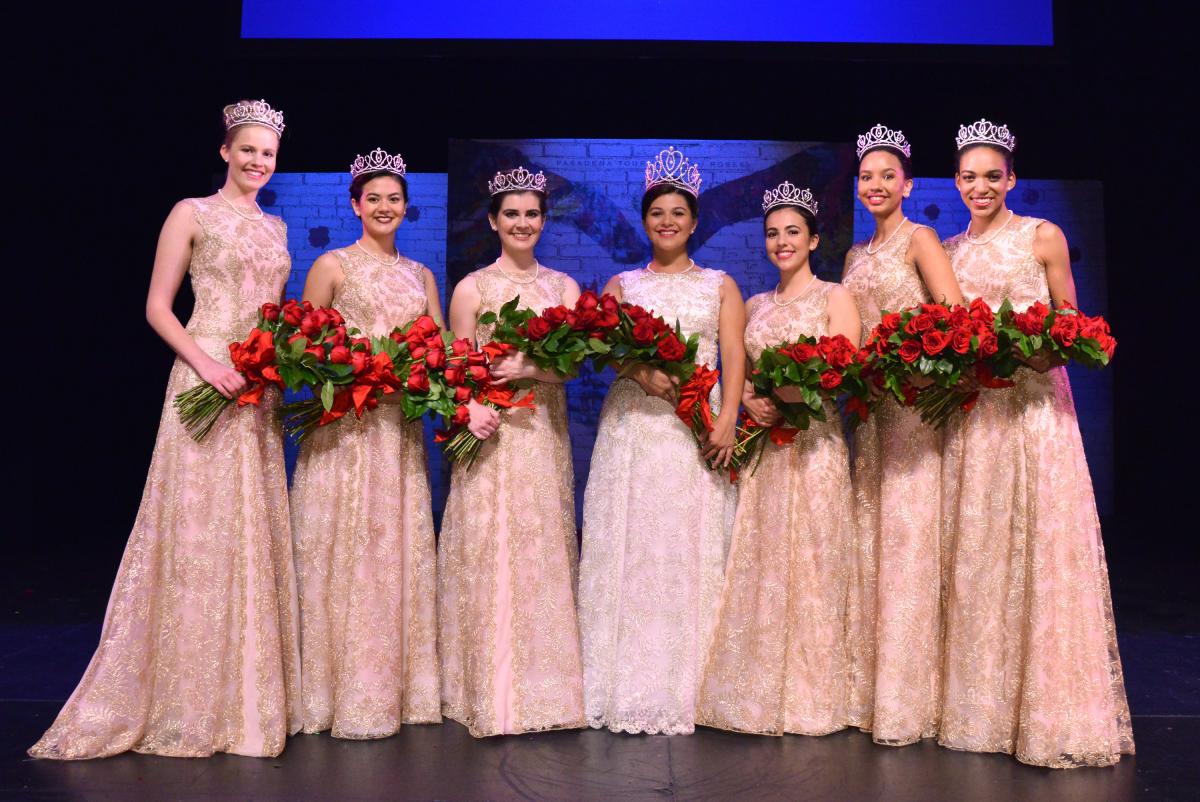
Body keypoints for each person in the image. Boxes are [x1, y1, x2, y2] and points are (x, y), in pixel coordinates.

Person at [29, 99, 300, 759]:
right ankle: (182, 695)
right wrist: (208, 364)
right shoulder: (191, 212)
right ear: (225, 152)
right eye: (248, 150)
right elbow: (157, 306)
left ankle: (244, 697)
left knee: (247, 528)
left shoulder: (279, 228)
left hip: (255, 385)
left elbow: (271, 313)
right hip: (203, 374)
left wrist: (276, 360)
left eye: (267, 153)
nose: (258, 162)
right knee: (195, 528)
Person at [938, 120, 1133, 767]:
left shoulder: (1042, 236)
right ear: (956, 182)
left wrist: (1020, 349)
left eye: (992, 175)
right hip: (976, 419)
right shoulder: (947, 251)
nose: (980, 186)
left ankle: (1049, 707)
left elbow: (1071, 326)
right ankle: (984, 709)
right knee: (982, 554)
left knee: (1039, 548)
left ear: (1012, 178)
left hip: (1034, 411)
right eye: (969, 176)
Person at [578, 146, 743, 735]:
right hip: (635, 427)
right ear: (645, 221)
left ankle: (696, 679)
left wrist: (725, 418)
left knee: (687, 540)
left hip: (694, 422)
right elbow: (607, 351)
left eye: (678, 213)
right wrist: (642, 373)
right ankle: (624, 676)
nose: (667, 222)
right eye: (657, 214)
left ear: (694, 222)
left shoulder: (722, 285)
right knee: (634, 539)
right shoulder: (621, 283)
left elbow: (733, 354)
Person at [290, 148, 443, 739]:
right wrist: (349, 369)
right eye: (373, 198)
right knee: (342, 543)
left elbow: (441, 353)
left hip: (396, 430)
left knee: (390, 547)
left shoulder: (422, 275)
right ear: (356, 205)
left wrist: (418, 375)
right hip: (345, 429)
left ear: (407, 207)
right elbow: (301, 350)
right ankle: (331, 689)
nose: (384, 207)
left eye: (394, 198)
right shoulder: (331, 265)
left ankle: (393, 687)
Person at [697, 184, 859, 736]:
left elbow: (841, 371)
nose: (782, 242)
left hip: (814, 445)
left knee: (815, 558)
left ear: (813, 239)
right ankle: (761, 687)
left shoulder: (835, 296)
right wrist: (748, 398)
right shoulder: (755, 305)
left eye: (793, 232)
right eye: (772, 233)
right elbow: (735, 368)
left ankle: (816, 693)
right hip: (767, 449)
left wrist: (788, 395)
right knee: (764, 559)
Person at [438, 167, 586, 737]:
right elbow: (456, 367)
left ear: (543, 222)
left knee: (539, 543)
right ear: (494, 221)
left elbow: (572, 365)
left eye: (531, 214)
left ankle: (543, 688)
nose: (522, 223)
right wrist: (470, 405)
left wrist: (531, 367)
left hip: (541, 433)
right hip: (490, 431)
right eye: (512, 214)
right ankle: (487, 687)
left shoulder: (565, 288)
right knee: (488, 542)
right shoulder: (471, 288)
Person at [841, 124, 965, 746]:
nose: (877, 184)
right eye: (867, 176)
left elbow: (955, 319)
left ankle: (913, 697)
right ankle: (871, 687)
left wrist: (911, 360)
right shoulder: (853, 258)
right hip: (873, 414)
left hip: (914, 409)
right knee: (875, 538)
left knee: (912, 538)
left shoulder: (922, 239)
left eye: (888, 175)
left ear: (908, 184)